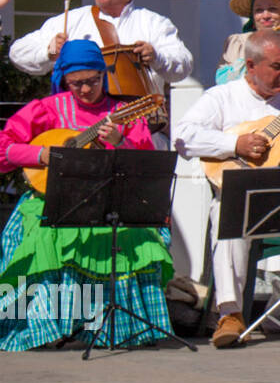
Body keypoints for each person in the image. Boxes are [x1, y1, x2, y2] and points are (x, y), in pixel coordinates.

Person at [0, 40, 170, 350]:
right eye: (76, 83)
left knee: (136, 237)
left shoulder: (121, 113)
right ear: (63, 78)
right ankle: (44, 326)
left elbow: (145, 168)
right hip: (54, 198)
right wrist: (42, 155)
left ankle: (110, 327)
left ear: (104, 75)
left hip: (108, 200)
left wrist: (121, 143)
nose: (85, 89)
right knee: (42, 234)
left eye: (93, 80)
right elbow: (3, 150)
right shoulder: (46, 110)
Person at [173, 31, 280, 348]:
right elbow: (183, 138)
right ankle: (230, 314)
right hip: (244, 199)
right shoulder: (222, 97)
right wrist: (233, 144)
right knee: (228, 212)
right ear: (251, 65)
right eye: (277, 67)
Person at [8, 0, 193, 92]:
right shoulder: (72, 20)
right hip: (84, 129)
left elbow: (183, 65)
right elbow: (17, 53)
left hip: (138, 126)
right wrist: (49, 51)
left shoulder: (153, 23)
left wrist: (156, 56)